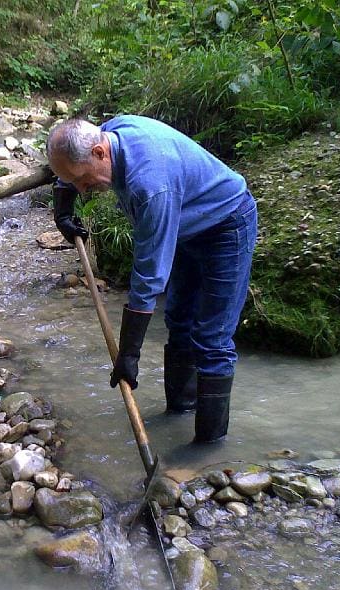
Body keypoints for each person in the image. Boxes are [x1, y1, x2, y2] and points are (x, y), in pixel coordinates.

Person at [47, 116, 257, 443]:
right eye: (74, 183)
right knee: (179, 319)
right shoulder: (104, 135)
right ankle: (179, 412)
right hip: (186, 222)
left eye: (84, 180)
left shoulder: (150, 186)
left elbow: (147, 281)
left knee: (212, 338)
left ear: (101, 153)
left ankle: (208, 448)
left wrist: (128, 355)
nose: (83, 190)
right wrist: (62, 211)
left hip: (226, 225)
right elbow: (69, 166)